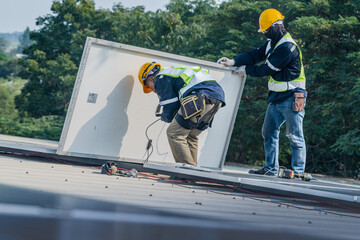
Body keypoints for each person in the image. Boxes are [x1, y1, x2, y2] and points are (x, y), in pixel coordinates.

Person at [217, 8, 307, 176]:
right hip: (277, 97)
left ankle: (298, 173)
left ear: (276, 26)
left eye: (266, 30)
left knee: (294, 136)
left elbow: (268, 68)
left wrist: (245, 70)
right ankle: (270, 168)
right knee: (268, 132)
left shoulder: (287, 47)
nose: (264, 33)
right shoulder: (273, 44)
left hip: (292, 97)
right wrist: (234, 61)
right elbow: (255, 55)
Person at [138, 62, 225, 166]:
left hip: (199, 96)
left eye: (149, 87)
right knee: (191, 135)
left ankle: (185, 171)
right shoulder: (172, 73)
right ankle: (193, 170)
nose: (153, 91)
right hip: (216, 99)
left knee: (174, 133)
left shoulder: (160, 78)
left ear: (150, 79)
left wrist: (165, 117)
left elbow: (170, 106)